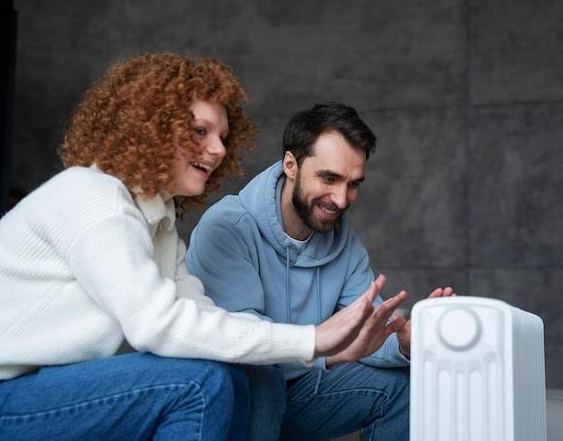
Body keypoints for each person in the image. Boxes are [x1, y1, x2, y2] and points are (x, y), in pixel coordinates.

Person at [0, 56, 403, 440]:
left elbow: (205, 317)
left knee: (225, 376)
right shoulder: (95, 198)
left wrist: (331, 347)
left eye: (223, 137)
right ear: (151, 129)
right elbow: (156, 326)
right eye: (199, 131)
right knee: (199, 382)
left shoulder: (157, 220)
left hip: (36, 390)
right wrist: (313, 339)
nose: (217, 149)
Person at [186, 102, 454, 440]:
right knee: (263, 376)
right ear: (290, 165)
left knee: (403, 385)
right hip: (232, 399)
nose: (341, 200)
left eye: (353, 184)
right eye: (329, 178)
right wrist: (326, 350)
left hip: (300, 392)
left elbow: (366, 338)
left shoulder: (344, 245)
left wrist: (403, 342)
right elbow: (241, 339)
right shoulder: (227, 228)